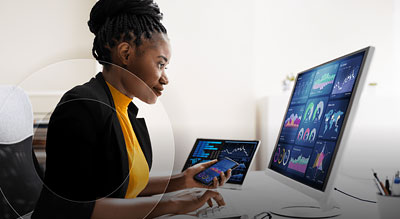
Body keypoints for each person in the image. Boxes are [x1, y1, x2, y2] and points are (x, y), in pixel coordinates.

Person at [32, 0, 231, 218]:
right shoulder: (81, 107)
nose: (165, 79)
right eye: (160, 64)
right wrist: (173, 205)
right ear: (125, 53)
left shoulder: (124, 110)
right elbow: (72, 207)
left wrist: (183, 180)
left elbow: (120, 186)